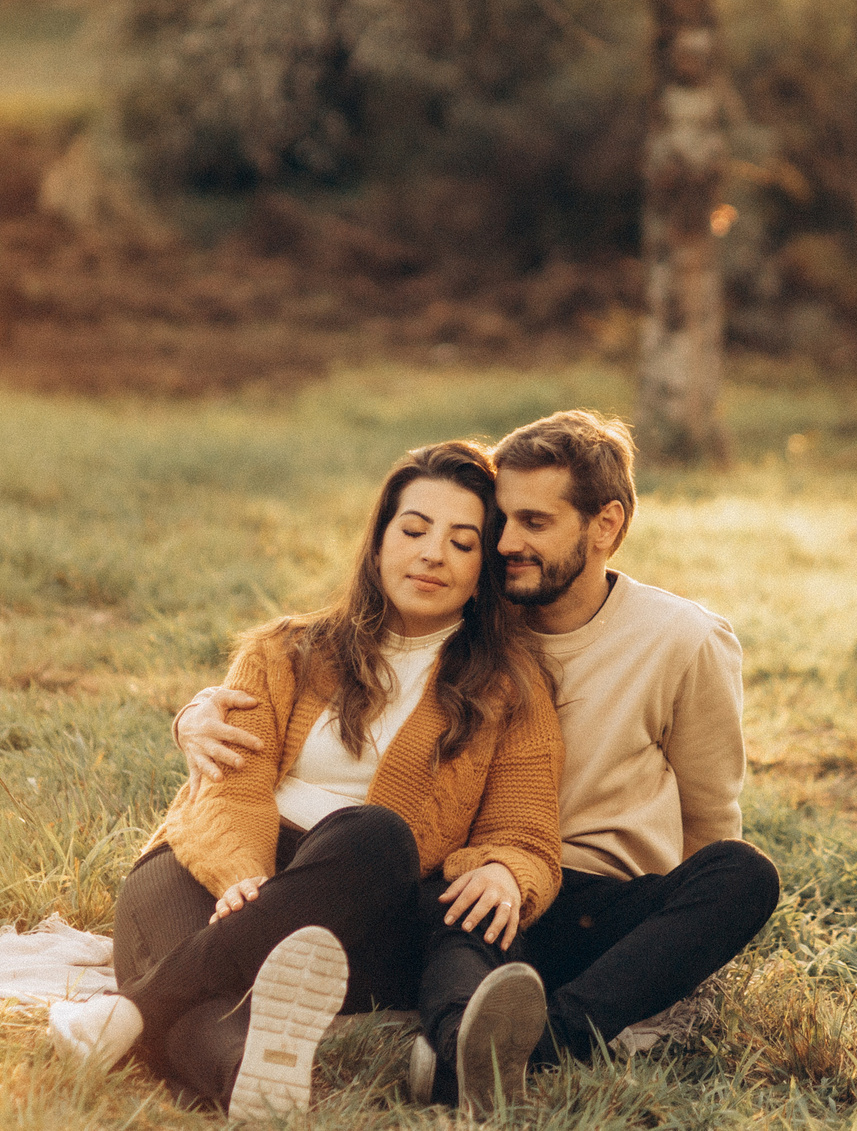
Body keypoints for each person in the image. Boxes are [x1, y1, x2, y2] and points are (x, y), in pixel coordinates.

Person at [177, 410, 778, 1110]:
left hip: (600, 897)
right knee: (460, 911)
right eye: (500, 523)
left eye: (534, 522)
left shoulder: (684, 638)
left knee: (745, 873)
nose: (507, 544)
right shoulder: (474, 623)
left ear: (606, 525)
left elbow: (711, 816)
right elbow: (349, 656)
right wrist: (195, 712)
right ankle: (476, 1048)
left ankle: (540, 1041)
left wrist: (675, 948)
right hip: (468, 887)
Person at [54, 440, 562, 1119]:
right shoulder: (284, 650)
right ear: (378, 540)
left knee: (374, 833)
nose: (432, 553)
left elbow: (524, 831)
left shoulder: (511, 689)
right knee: (203, 988)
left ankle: (130, 1009)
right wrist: (243, 873)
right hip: (217, 869)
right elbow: (231, 785)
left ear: (482, 572)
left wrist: (508, 870)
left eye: (462, 542)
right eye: (413, 529)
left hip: (360, 900)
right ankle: (254, 1082)